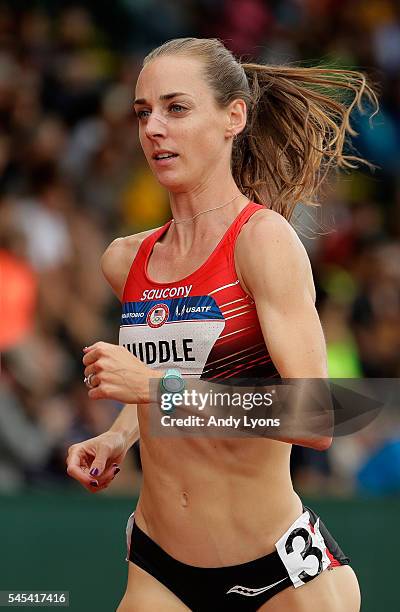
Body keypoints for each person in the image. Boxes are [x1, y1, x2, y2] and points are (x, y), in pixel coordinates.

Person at [66, 38, 378, 611]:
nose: (154, 128)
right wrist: (118, 435)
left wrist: (156, 392)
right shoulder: (126, 260)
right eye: (143, 112)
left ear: (234, 116)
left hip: (277, 576)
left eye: (176, 108)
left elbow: (316, 416)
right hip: (158, 569)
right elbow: (172, 373)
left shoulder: (262, 242)